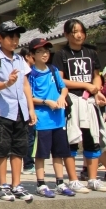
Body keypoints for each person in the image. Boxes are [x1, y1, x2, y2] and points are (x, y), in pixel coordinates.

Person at [0, 21, 36, 202]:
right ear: (0, 38)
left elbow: (26, 84)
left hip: (21, 110)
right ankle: (3, 184)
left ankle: (16, 184)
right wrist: (7, 83)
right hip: (2, 110)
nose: (15, 41)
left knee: (19, 148)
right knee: (2, 148)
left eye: (17, 37)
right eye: (11, 37)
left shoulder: (21, 60)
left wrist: (31, 108)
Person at [51, 19, 106, 192]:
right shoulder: (61, 54)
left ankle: (92, 178)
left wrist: (96, 90)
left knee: (93, 139)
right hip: (72, 102)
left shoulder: (90, 52)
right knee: (72, 140)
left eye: (81, 31)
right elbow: (60, 79)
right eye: (74, 31)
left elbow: (96, 75)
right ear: (67, 35)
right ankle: (73, 179)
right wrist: (84, 85)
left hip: (89, 101)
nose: (79, 34)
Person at [26, 38, 77, 198]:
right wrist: (45, 102)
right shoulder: (31, 74)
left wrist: (62, 97)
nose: (44, 54)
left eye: (46, 50)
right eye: (40, 51)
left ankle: (60, 182)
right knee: (41, 153)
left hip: (58, 119)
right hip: (42, 120)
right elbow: (29, 97)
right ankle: (41, 183)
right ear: (32, 54)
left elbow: (64, 88)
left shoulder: (54, 69)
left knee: (59, 152)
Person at [19, 47, 37, 176]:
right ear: (27, 57)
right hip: (23, 107)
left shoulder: (32, 71)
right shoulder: (26, 72)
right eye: (33, 55)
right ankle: (28, 164)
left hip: (29, 107)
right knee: (28, 137)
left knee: (29, 137)